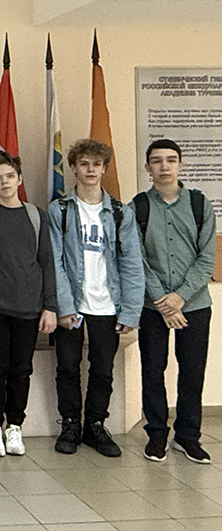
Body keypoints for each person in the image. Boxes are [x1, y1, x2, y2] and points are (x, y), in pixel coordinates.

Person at [49, 139, 144, 458]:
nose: (90, 170)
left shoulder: (120, 212)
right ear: (73, 168)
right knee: (67, 366)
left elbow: (132, 263)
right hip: (73, 304)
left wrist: (130, 311)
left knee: (103, 368)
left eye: (96, 164)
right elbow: (55, 261)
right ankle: (70, 424)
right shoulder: (60, 210)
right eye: (84, 164)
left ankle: (95, 425)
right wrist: (63, 306)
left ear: (104, 169)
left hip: (108, 304)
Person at [132, 139, 215, 463]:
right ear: (148, 167)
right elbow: (137, 260)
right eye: (157, 160)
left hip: (195, 305)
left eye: (170, 160)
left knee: (192, 372)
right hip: (152, 308)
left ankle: (188, 437)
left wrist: (179, 298)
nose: (164, 166)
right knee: (153, 370)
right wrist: (162, 301)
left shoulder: (199, 204)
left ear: (180, 164)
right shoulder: (138, 207)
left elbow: (206, 259)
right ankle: (156, 435)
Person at [0, 151, 57, 457]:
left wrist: (50, 306)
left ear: (20, 179)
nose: (4, 182)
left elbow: (47, 263)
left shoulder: (36, 216)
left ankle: (15, 425)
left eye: (9, 176)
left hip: (29, 308)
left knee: (21, 370)